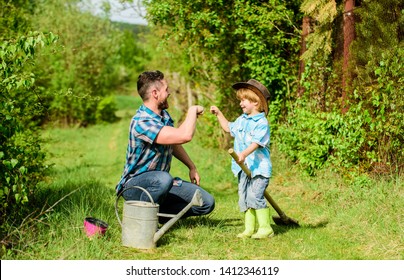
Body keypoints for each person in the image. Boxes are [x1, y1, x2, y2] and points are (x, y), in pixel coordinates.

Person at [116, 70, 215, 222]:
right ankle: (140, 221)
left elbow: (173, 142)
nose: (169, 93)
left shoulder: (164, 116)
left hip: (160, 183)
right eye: (166, 89)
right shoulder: (141, 121)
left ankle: (155, 214)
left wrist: (191, 166)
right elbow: (184, 136)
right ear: (155, 93)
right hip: (135, 186)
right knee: (163, 179)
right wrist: (192, 110)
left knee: (206, 202)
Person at [210, 79, 273, 239]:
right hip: (242, 168)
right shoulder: (241, 120)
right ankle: (249, 229)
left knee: (255, 196)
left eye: (243, 100)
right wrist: (219, 114)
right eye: (240, 100)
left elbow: (257, 143)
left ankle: (266, 228)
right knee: (244, 197)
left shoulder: (261, 123)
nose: (241, 103)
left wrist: (243, 154)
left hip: (258, 168)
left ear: (256, 102)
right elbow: (228, 128)